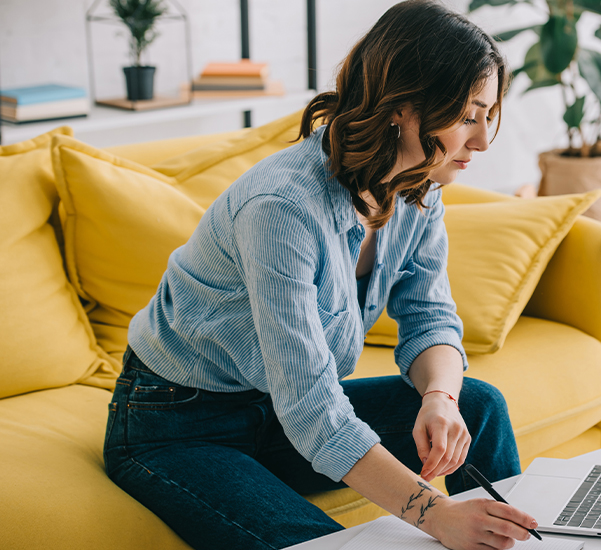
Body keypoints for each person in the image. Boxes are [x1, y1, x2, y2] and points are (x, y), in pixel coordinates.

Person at [102, 2, 539, 549]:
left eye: (488, 116)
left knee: (477, 402)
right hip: (178, 427)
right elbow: (313, 409)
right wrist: (437, 516)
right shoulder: (283, 206)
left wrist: (440, 400)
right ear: (404, 105)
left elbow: (429, 317)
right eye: (468, 116)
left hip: (277, 414)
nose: (481, 142)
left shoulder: (418, 188)